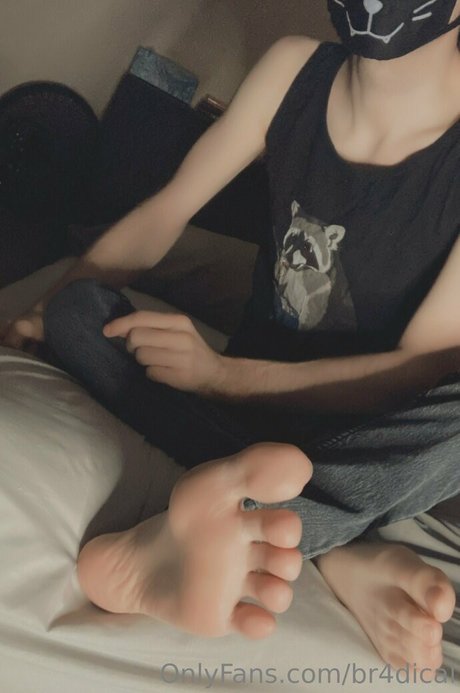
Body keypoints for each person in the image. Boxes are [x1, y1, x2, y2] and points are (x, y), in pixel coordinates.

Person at [2, 0, 459, 676]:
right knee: (78, 308)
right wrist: (45, 309)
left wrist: (220, 375)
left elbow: (416, 368)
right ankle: (334, 546)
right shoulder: (293, 69)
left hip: (356, 435)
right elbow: (166, 213)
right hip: (237, 416)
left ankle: (240, 529)